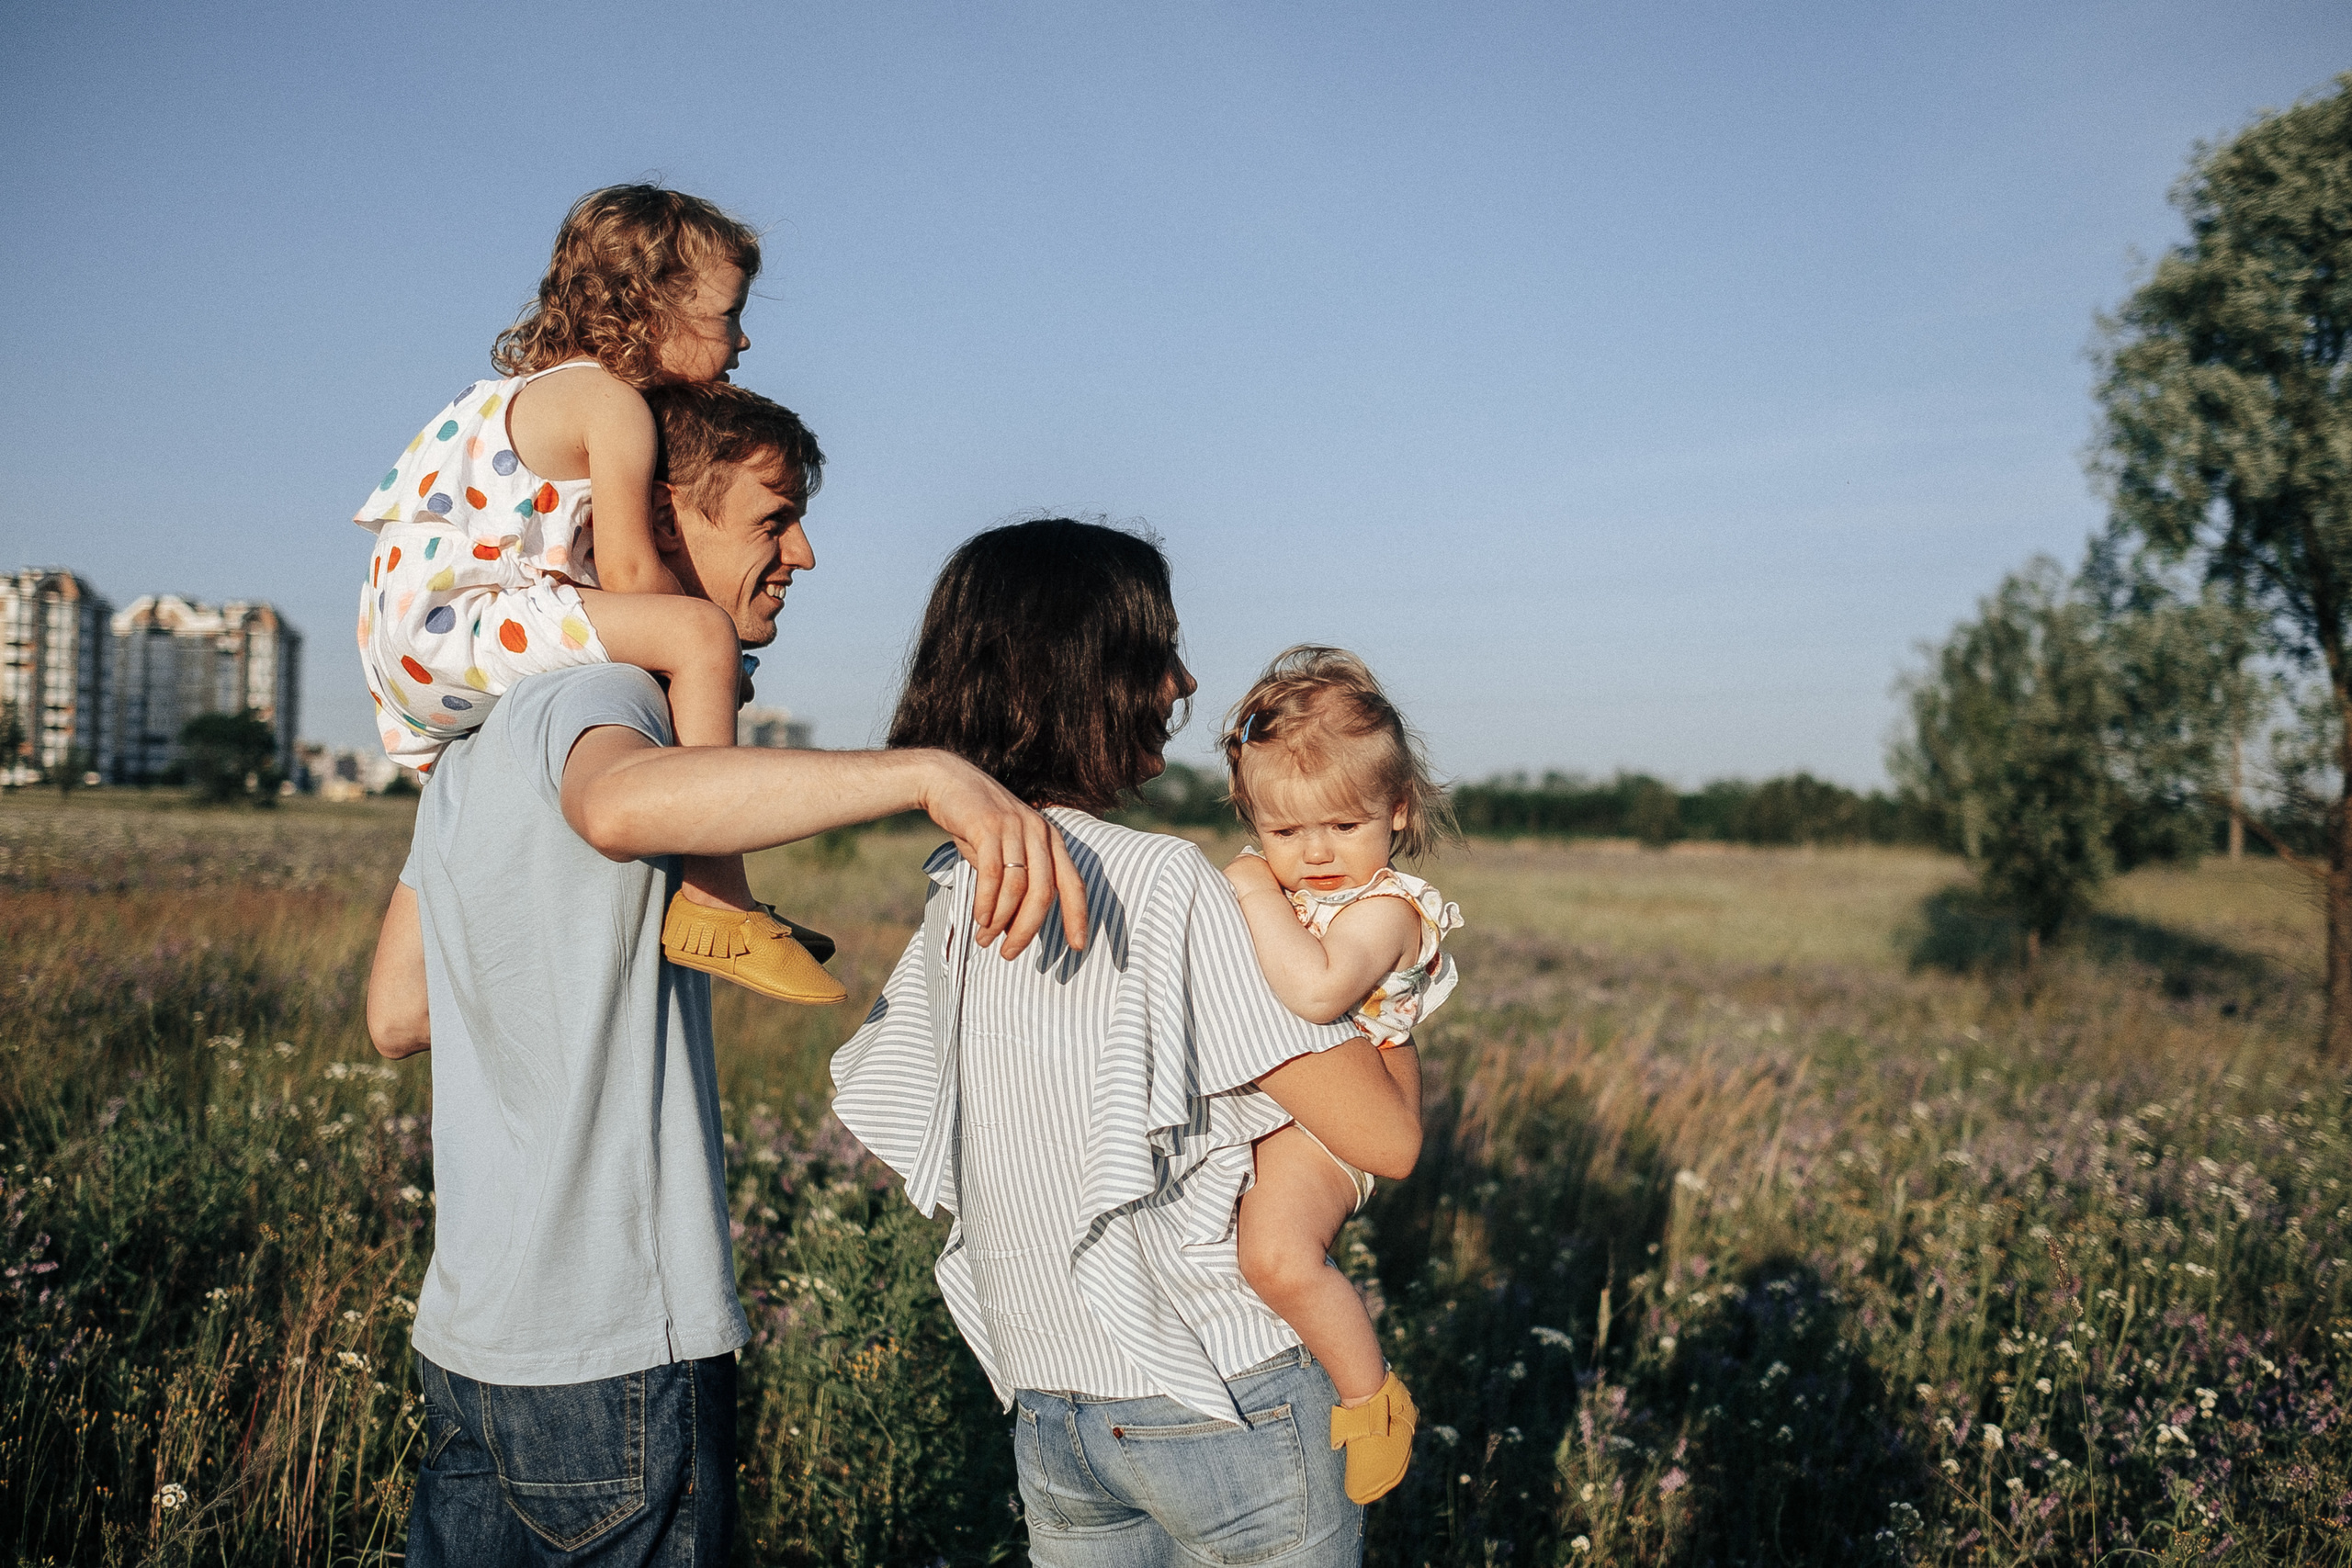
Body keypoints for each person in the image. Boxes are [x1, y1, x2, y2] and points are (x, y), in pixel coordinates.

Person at [365, 387, 1090, 1568]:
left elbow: (396, 1014)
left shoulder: (476, 737)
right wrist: (928, 774)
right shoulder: (610, 699)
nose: (802, 552)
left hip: (472, 1351)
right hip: (610, 1350)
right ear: (649, 518)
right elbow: (618, 804)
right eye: (773, 520)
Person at [830, 520, 1424, 1567]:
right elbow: (1384, 1140)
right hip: (1216, 1394)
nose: (1183, 681)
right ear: (1086, 673)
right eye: (1158, 653)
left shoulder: (958, 882)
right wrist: (1401, 1007)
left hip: (1051, 1409)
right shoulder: (1160, 881)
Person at [355, 184, 829, 1002]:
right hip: (462, 621)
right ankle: (717, 899)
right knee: (701, 635)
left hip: (413, 650)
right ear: (647, 309)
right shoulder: (611, 407)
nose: (744, 338)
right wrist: (697, 661)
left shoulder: (524, 393)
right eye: (727, 315)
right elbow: (634, 573)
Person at [1215, 646, 1464, 1504]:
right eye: (1282, 833)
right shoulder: (1311, 886)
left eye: (1343, 826)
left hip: (1333, 1121)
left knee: (1276, 1257)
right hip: (1291, 1105)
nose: (1315, 853)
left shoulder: (1388, 909)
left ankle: (1372, 1398)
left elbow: (1318, 991)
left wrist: (1249, 888)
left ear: (1396, 811)